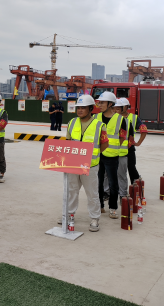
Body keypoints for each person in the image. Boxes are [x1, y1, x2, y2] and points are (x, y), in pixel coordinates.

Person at [62, 95, 109, 232]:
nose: (80, 110)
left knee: (92, 193)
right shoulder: (72, 123)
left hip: (91, 166)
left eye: (83, 108)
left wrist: (93, 155)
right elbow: (68, 142)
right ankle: (69, 215)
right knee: (71, 191)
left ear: (91, 109)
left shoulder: (100, 125)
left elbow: (105, 144)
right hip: (73, 164)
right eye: (78, 108)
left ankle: (95, 218)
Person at [94, 91, 126, 219]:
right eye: (99, 102)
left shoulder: (120, 119)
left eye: (102, 102)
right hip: (98, 155)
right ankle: (100, 205)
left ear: (110, 104)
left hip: (112, 156)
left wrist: (113, 146)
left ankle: (113, 208)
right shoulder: (95, 117)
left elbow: (122, 137)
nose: (99, 105)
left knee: (113, 183)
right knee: (98, 182)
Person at [116, 97, 147, 184]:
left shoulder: (134, 117)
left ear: (126, 107)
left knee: (131, 168)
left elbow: (143, 129)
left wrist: (138, 143)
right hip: (116, 147)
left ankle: (136, 186)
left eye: (121, 106)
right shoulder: (114, 117)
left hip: (129, 148)